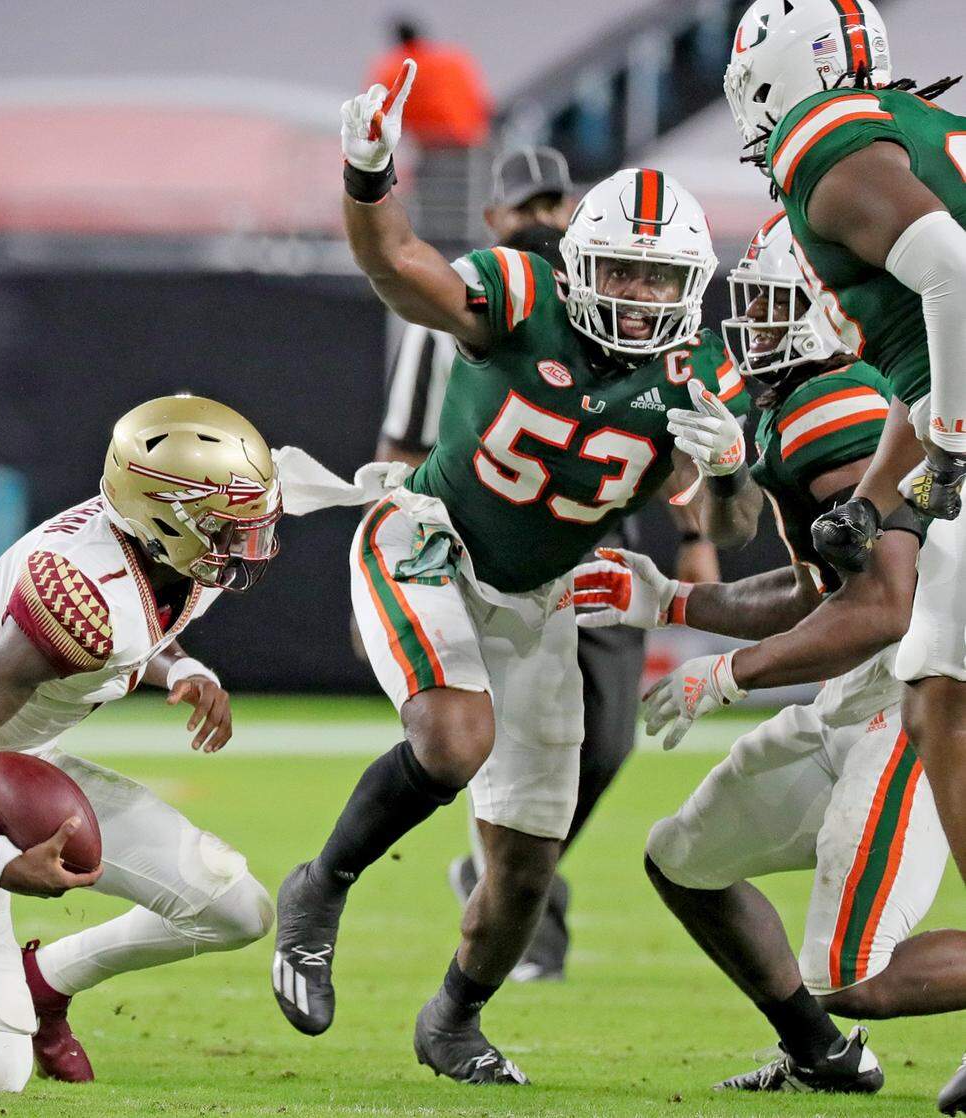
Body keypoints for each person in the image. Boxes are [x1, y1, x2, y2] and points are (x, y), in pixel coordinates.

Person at [270, 60, 755, 1085]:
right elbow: (401, 264)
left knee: (528, 859)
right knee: (454, 739)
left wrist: (726, 467)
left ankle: (454, 1019)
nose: (638, 297)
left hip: (540, 599)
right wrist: (367, 176)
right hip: (431, 540)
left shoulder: (689, 376)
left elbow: (733, 515)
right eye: (621, 271)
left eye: (659, 280)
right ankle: (318, 886)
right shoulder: (520, 290)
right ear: (582, 259)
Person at [576, 213, 963, 1096]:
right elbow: (810, 588)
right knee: (686, 857)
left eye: (780, 302)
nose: (755, 321)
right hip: (862, 689)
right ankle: (819, 1057)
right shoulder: (786, 396)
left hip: (915, 695)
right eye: (752, 299)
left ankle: (833, 1031)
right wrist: (674, 599)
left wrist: (729, 672)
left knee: (856, 973)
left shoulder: (846, 407)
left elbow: (883, 608)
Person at [0, 396, 279, 1091]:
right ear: (162, 515)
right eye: (226, 526)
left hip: (14, 763)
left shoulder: (162, 557)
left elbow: (142, 622)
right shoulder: (81, 596)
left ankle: (45, 983)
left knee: (236, 908)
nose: (245, 543)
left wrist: (181, 664)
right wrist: (0, 858)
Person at [378, 149, 720, 984]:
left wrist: (699, 533)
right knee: (475, 742)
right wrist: (388, 569)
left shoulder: (643, 314)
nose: (537, 218)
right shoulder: (482, 300)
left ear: (574, 217)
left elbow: (686, 445)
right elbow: (402, 448)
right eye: (521, 206)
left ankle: (511, 877)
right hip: (468, 541)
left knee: (601, 743)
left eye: (550, 204)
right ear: (496, 220)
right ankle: (513, 894)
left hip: (594, 545)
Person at [724, 3, 966, 1107]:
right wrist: (879, 495)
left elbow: (957, 276)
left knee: (942, 708)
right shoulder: (900, 125)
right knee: (939, 703)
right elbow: (933, 346)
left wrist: (951, 453)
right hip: (950, 425)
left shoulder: (824, 141)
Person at [366, 20, 490, 149]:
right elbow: (479, 102)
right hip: (468, 139)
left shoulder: (392, 71)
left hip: (427, 145)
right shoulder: (454, 61)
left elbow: (379, 113)